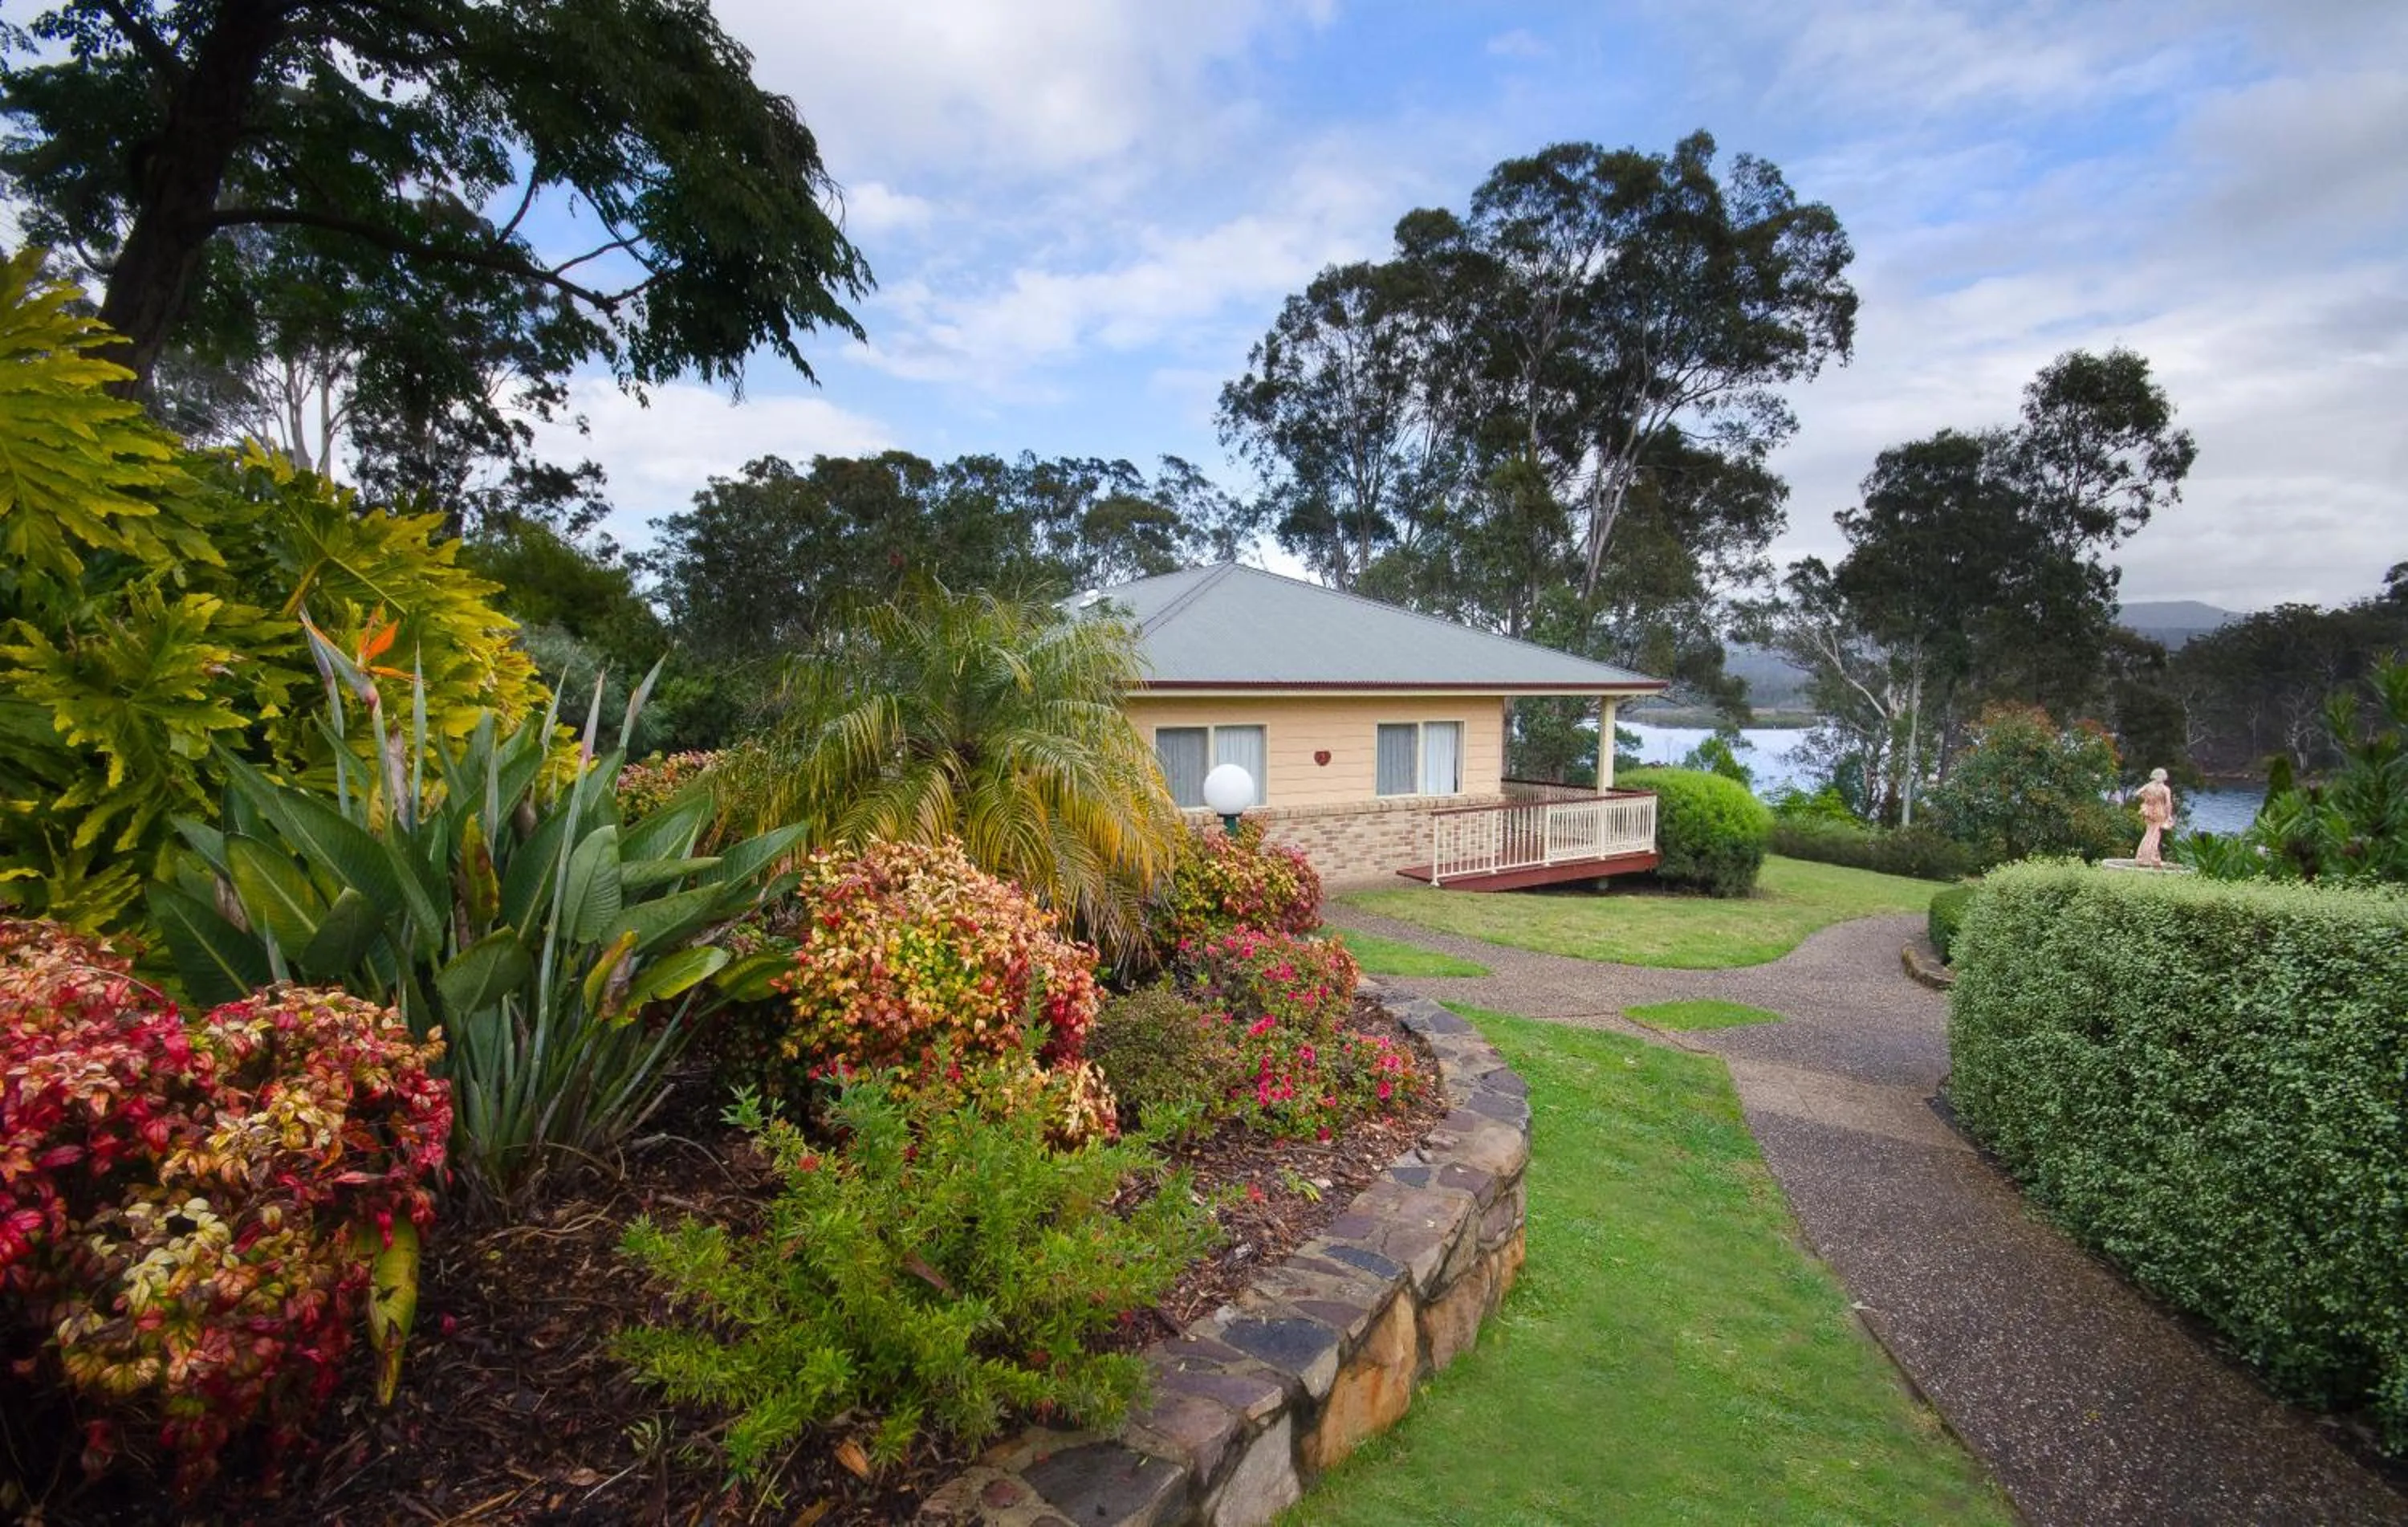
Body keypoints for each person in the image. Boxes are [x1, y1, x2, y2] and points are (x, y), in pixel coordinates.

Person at [2135, 767, 2175, 867]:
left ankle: (2143, 857)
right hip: (2159, 812)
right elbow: (2168, 804)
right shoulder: (2165, 789)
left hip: (2149, 811)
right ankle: (2150, 858)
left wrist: (2147, 799)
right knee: (2155, 835)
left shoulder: (2149, 786)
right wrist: (2169, 816)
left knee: (2149, 833)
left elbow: (2137, 793)